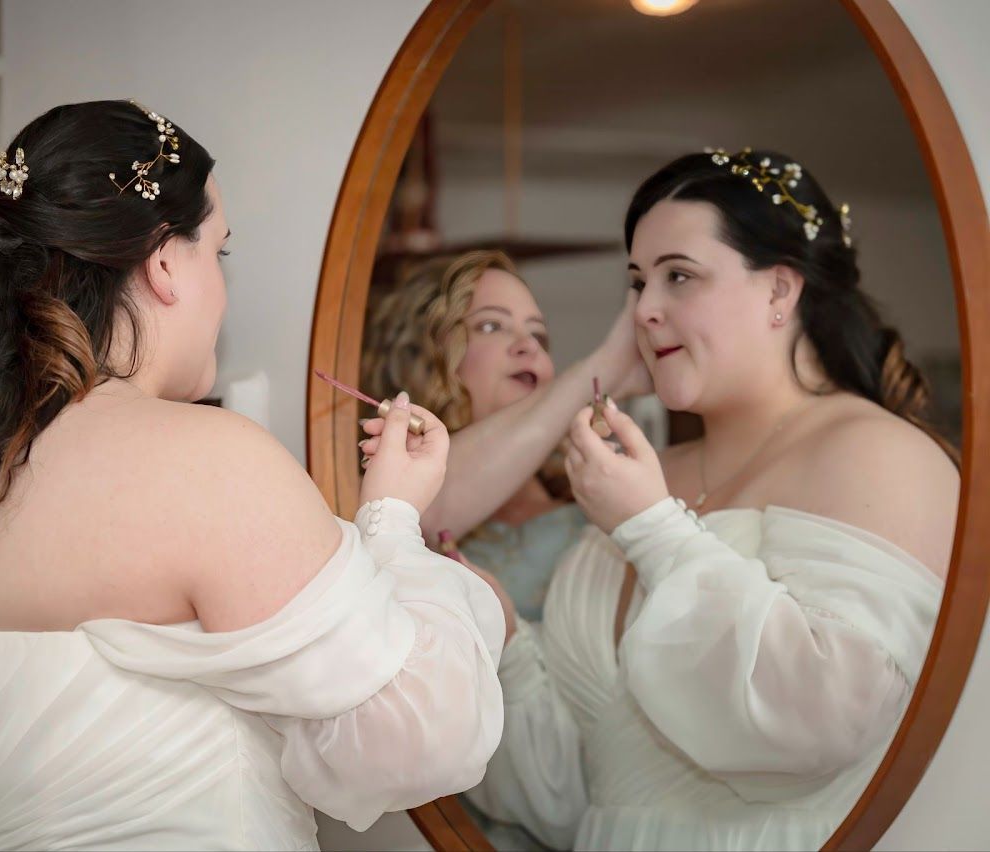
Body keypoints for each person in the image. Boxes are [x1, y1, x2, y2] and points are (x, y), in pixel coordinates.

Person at [0, 100, 505, 850]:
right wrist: (393, 522)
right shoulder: (206, 462)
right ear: (164, 261)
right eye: (217, 250)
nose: (222, 286)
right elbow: (412, 737)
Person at [368, 149, 958, 850]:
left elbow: (828, 718)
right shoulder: (637, 473)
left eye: (679, 276)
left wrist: (653, 531)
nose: (644, 310)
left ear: (779, 291)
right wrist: (510, 643)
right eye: (638, 283)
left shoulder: (876, 454)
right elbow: (576, 794)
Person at [362, 249, 645, 623]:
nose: (528, 345)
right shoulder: (384, 492)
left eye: (539, 335)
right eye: (492, 326)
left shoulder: (596, 500)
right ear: (429, 356)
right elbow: (421, 516)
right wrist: (608, 363)